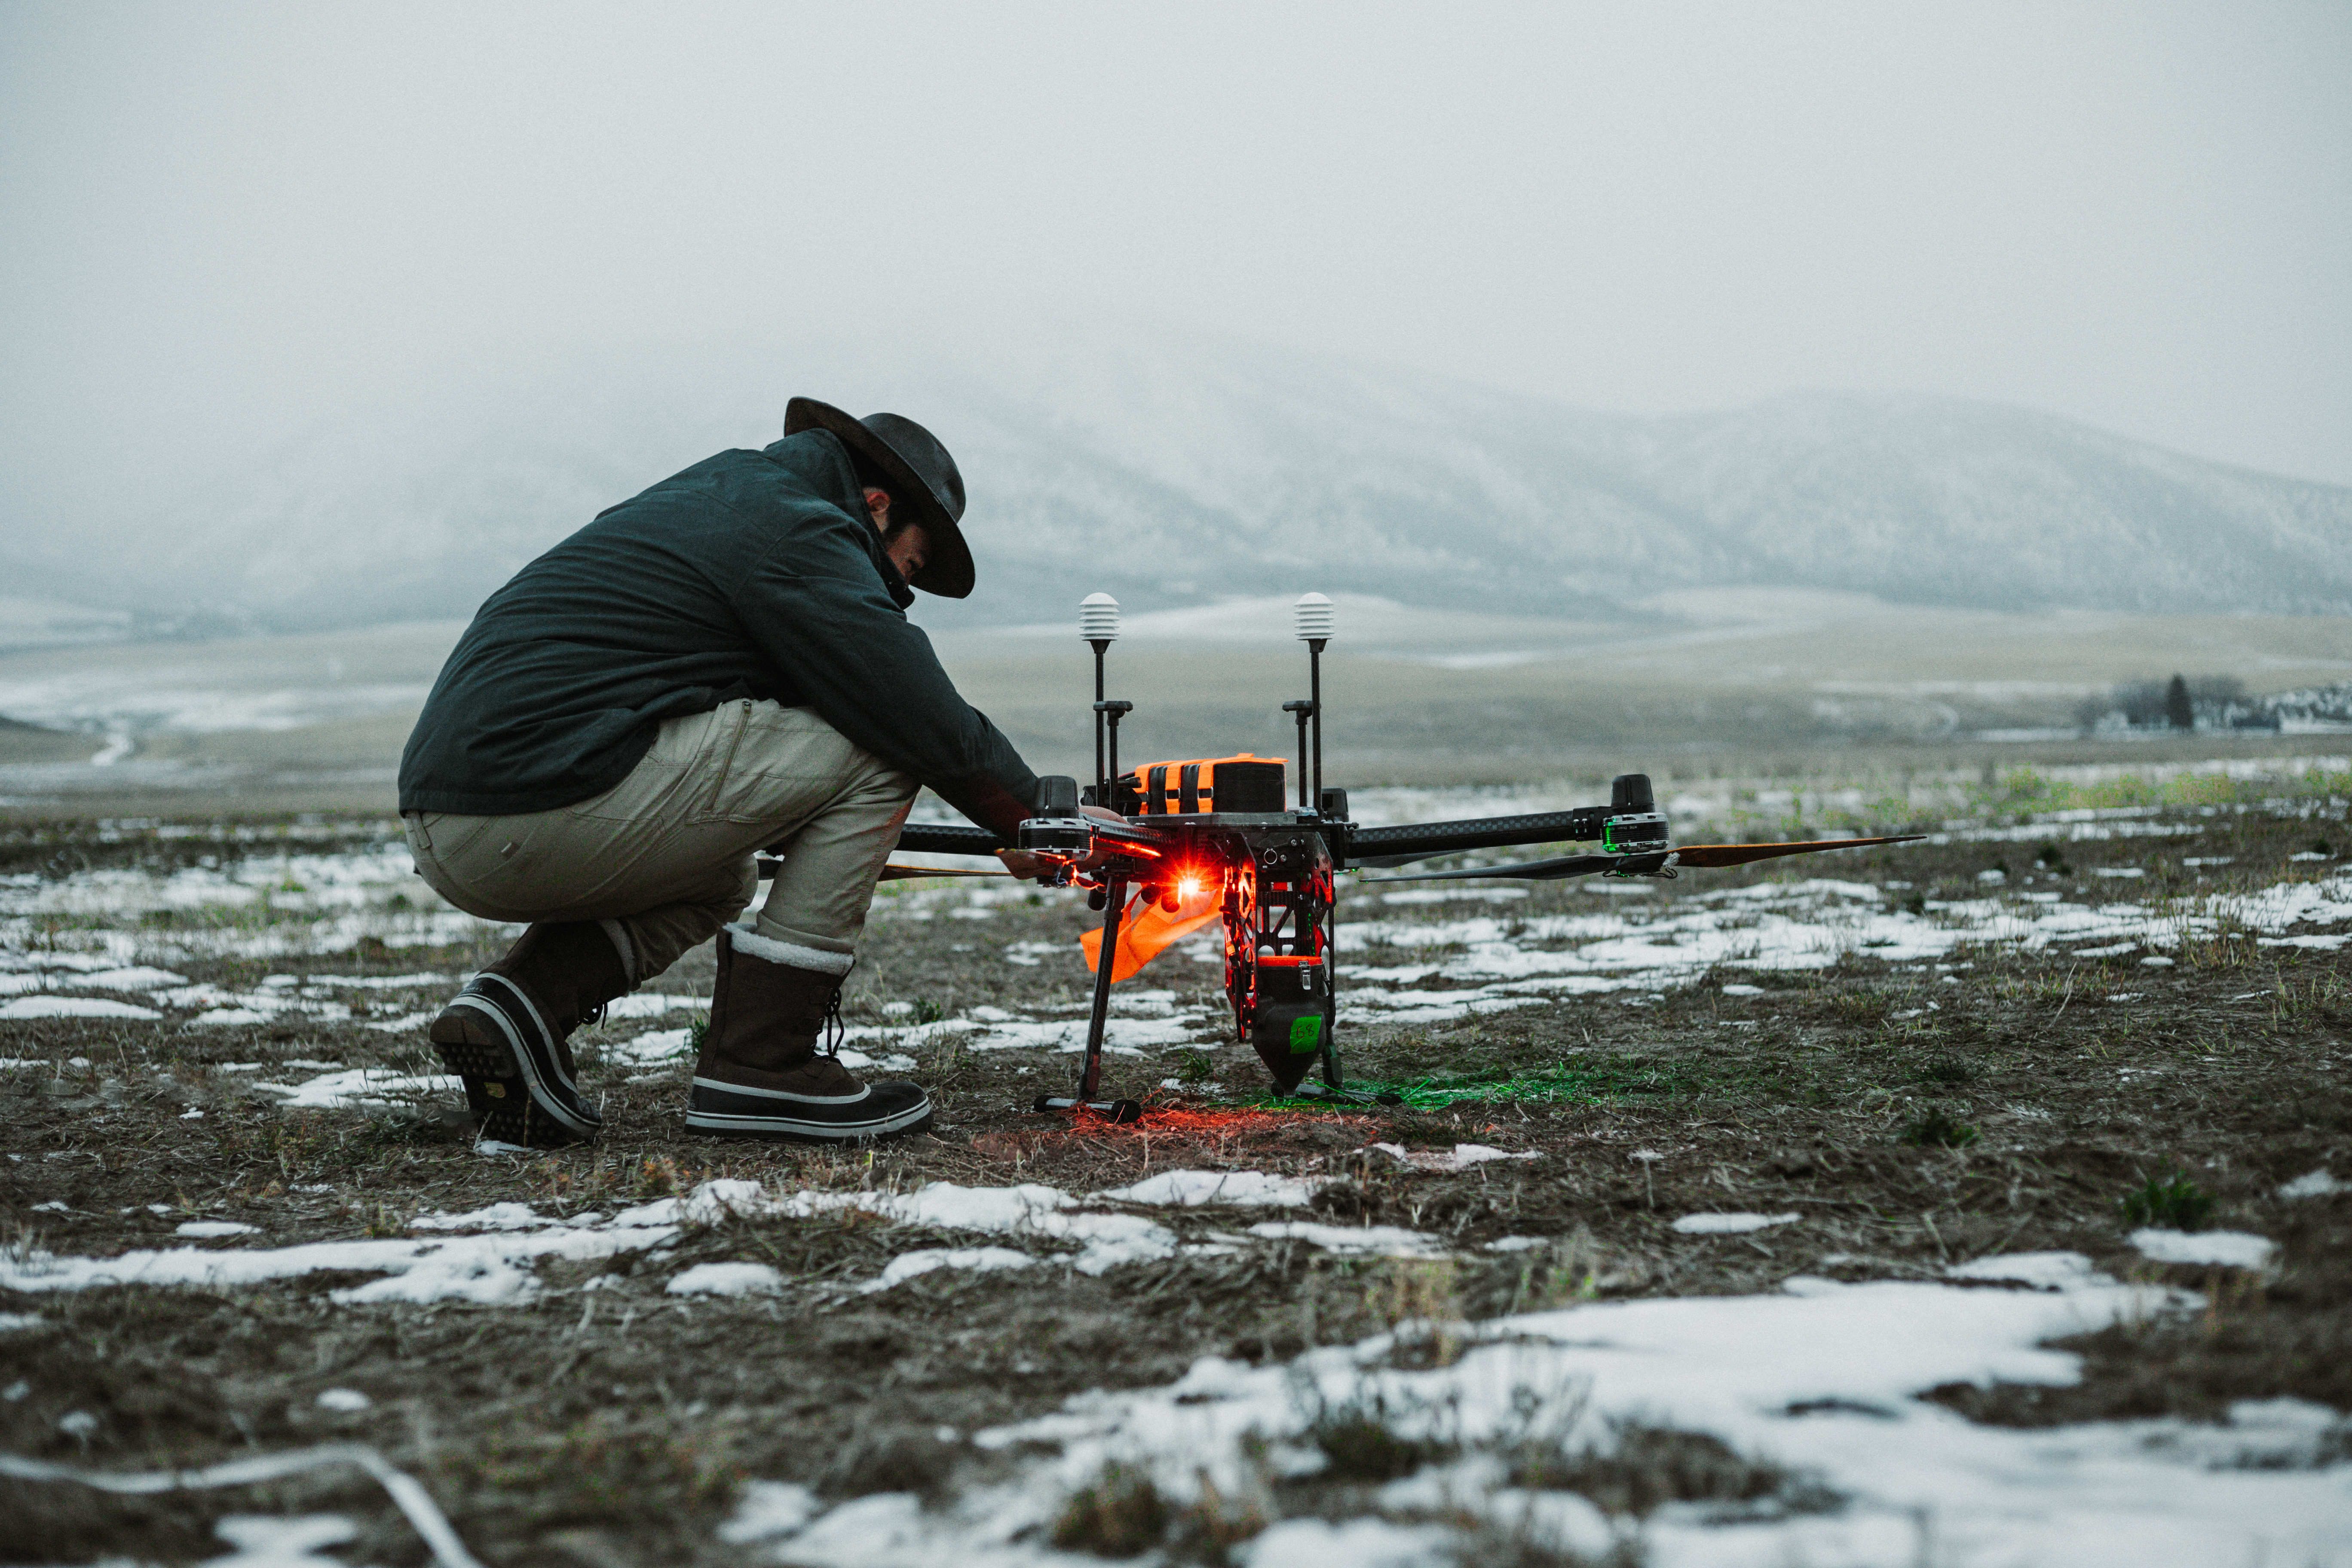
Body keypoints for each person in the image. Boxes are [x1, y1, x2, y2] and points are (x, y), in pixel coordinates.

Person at [397, 398, 1042, 1148]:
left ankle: (521, 1005)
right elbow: (913, 711)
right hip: (538, 795)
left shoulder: (723, 498)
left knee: (722, 878)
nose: (898, 588)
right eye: (909, 565)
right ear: (875, 506)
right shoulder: (798, 527)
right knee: (880, 746)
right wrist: (1036, 819)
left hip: (456, 816)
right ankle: (763, 1064)